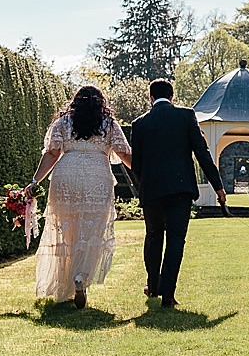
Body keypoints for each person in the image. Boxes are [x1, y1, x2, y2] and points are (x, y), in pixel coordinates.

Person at [26, 85, 132, 309]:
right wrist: (145, 172)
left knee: (66, 230)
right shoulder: (108, 124)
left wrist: (35, 181)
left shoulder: (63, 123)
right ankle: (80, 277)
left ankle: (67, 282)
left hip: (66, 176)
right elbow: (123, 153)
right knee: (92, 230)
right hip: (97, 177)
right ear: (100, 102)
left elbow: (52, 152)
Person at [130, 78, 227, 307]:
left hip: (152, 190)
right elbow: (202, 153)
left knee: (154, 236)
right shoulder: (186, 116)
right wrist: (218, 186)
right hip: (180, 189)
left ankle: (153, 286)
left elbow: (137, 165)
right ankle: (168, 294)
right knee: (176, 240)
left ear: (150, 98)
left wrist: (144, 185)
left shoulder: (139, 124)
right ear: (172, 97)